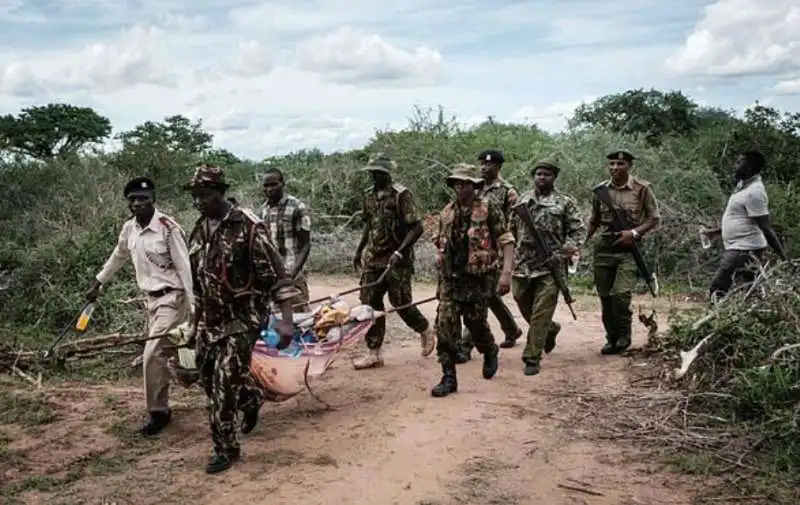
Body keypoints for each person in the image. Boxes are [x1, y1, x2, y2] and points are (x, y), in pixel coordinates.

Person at [184, 164, 297, 474]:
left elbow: (278, 277)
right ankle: (251, 397)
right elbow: (197, 283)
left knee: (222, 384)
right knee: (207, 378)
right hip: (211, 319)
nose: (199, 202)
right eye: (195, 197)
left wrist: (286, 321)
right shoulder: (198, 229)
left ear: (221, 193)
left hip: (243, 319)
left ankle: (226, 449)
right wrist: (193, 324)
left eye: (204, 196)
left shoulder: (248, 227)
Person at [86, 176, 193, 436]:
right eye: (133, 200)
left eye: (143, 199)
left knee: (152, 354)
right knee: (168, 354)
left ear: (153, 199)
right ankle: (197, 386)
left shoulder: (168, 228)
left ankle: (159, 412)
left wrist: (195, 306)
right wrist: (99, 281)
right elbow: (119, 256)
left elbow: (185, 267)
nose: (137, 204)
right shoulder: (129, 229)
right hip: (151, 300)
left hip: (172, 297)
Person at [430, 163, 515, 397]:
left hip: (477, 279)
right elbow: (440, 245)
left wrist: (506, 274)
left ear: (474, 186)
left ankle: (489, 349)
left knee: (475, 323)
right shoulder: (446, 212)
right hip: (451, 279)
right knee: (445, 326)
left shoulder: (489, 208)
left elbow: (506, 239)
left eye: (465, 183)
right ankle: (448, 378)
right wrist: (439, 271)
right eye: (457, 183)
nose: (461, 188)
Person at [352, 153, 435, 369]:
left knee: (400, 302)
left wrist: (399, 251)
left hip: (397, 259)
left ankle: (424, 329)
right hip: (373, 258)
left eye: (378, 172)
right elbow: (368, 225)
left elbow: (417, 227)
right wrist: (359, 250)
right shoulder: (369, 196)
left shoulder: (401, 195)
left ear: (387, 174)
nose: (374, 176)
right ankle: (373, 352)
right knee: (369, 304)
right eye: (372, 172)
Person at [510, 160, 586, 376]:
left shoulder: (564, 203)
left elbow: (578, 232)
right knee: (521, 300)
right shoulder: (522, 201)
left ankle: (532, 356)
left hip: (551, 266)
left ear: (554, 178)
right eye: (538, 174)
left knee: (541, 311)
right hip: (523, 264)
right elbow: (510, 229)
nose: (542, 178)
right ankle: (550, 330)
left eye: (547, 174)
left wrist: (562, 253)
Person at [586, 149, 660, 355]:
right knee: (605, 297)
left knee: (620, 294)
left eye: (620, 164)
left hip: (628, 248)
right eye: (611, 164)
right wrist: (581, 242)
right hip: (604, 247)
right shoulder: (600, 190)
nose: (615, 168)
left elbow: (654, 219)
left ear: (629, 166)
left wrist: (634, 233)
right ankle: (611, 338)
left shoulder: (642, 189)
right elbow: (594, 220)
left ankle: (624, 335)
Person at [456, 149, 523, 363]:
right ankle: (511, 329)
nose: (485, 168)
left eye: (490, 164)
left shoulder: (507, 191)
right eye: (482, 164)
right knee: (489, 295)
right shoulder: (474, 187)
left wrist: (508, 258)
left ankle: (466, 345)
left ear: (498, 167)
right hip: (476, 251)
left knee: (480, 298)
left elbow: (514, 225)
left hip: (497, 251)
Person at [703, 151, 788, 304]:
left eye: (738, 162)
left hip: (744, 248)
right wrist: (715, 232)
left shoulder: (755, 192)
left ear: (749, 167)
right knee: (752, 288)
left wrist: (783, 258)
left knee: (718, 286)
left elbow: (765, 227)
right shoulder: (743, 187)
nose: (734, 166)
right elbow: (742, 219)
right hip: (744, 246)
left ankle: (712, 321)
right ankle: (758, 316)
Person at [260, 167, 313, 312]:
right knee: (276, 318)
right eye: (266, 185)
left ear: (283, 184)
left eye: (273, 184)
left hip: (292, 272)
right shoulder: (264, 210)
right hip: (273, 274)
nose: (269, 189)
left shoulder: (297, 207)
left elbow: (306, 244)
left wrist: (293, 272)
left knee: (298, 316)